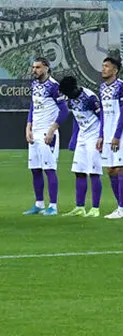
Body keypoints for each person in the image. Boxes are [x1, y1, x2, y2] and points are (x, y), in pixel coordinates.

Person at [23, 57, 68, 216]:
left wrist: (51, 130)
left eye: (38, 67)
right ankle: (39, 204)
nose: (34, 70)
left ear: (47, 68)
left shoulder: (54, 87)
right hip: (34, 133)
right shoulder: (35, 84)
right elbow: (33, 106)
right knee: (35, 169)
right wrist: (28, 126)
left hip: (47, 133)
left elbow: (64, 111)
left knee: (49, 169)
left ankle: (53, 206)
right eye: (33, 67)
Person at [59, 76, 103, 218]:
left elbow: (102, 117)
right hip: (82, 137)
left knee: (94, 172)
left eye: (68, 93)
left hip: (94, 136)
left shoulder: (90, 98)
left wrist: (102, 136)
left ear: (75, 88)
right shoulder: (71, 99)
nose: (68, 96)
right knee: (79, 171)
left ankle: (95, 208)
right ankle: (80, 207)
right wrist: (74, 137)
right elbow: (77, 119)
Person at [99, 56, 123, 219]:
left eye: (106, 66)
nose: (103, 69)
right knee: (110, 170)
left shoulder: (122, 86)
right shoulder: (102, 88)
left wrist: (117, 135)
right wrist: (101, 135)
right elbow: (103, 115)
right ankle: (121, 207)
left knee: (120, 167)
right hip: (107, 134)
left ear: (115, 70)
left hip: (120, 134)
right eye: (103, 66)